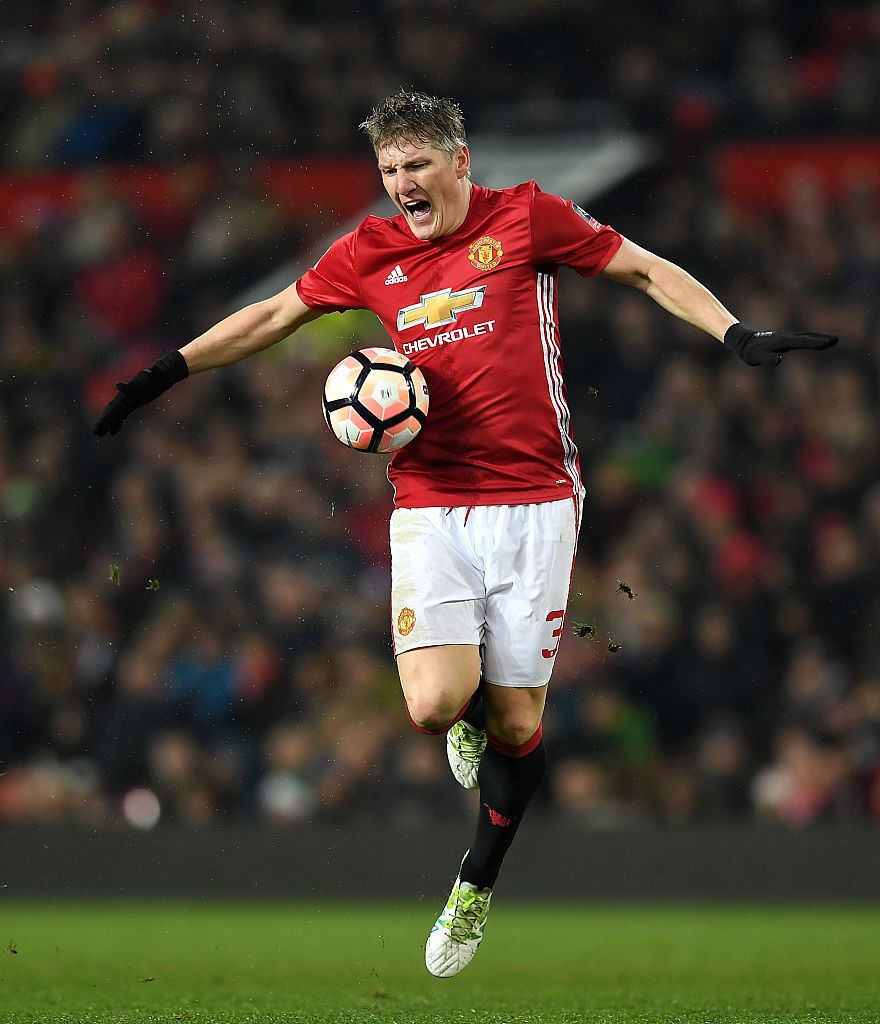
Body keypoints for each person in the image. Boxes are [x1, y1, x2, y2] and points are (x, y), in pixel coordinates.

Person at [93, 89, 838, 978]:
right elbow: (272, 316)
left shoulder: (526, 218)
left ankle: (475, 883)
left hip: (536, 502)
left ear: (459, 162)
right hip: (431, 502)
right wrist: (164, 372)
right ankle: (464, 710)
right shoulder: (368, 252)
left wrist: (734, 331)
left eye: (417, 164)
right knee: (432, 705)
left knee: (519, 722)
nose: (403, 182)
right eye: (389, 169)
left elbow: (642, 270)